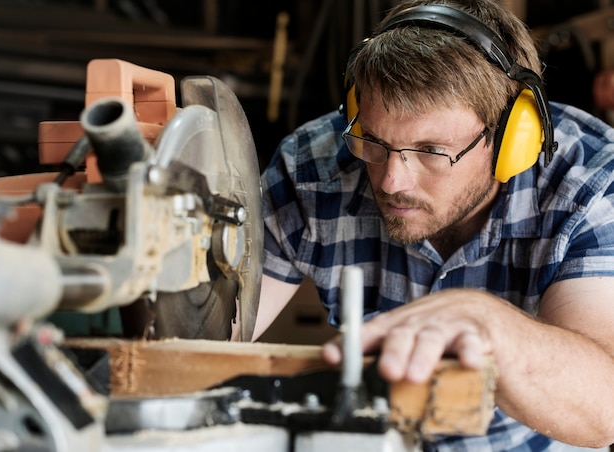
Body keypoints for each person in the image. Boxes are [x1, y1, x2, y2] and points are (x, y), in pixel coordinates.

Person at [253, 0, 614, 450]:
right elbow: (199, 334)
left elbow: (604, 407)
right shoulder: (314, 167)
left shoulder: (590, 184)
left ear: (510, 140)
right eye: (375, 141)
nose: (391, 180)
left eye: (431, 150)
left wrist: (488, 322)